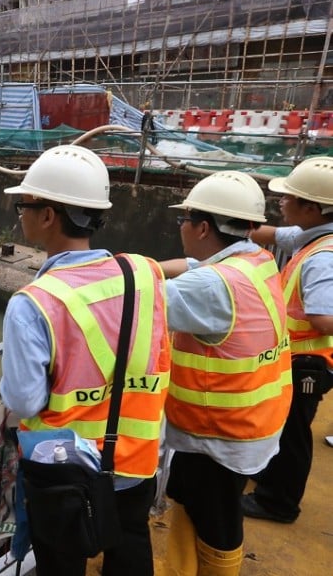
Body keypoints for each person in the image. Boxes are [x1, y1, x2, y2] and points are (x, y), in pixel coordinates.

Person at [0, 144, 171, 576]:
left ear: (48, 216)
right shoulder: (145, 273)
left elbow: (23, 402)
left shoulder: (34, 302)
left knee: (60, 562)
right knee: (130, 546)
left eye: (25, 204)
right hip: (136, 460)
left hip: (64, 470)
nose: (21, 213)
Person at [159, 171, 292, 575]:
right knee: (194, 505)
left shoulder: (211, 286)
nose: (181, 227)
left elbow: (133, 304)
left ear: (201, 227)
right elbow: (196, 264)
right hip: (249, 424)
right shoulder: (255, 260)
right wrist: (148, 265)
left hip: (217, 433)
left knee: (216, 522)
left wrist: (113, 272)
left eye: (184, 219)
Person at [241, 156, 333, 524]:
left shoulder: (323, 258)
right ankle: (268, 478)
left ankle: (278, 503)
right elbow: (274, 235)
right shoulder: (313, 232)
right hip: (292, 360)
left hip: (308, 363)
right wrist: (229, 219)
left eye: (288, 197)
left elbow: (324, 319)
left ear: (311, 208)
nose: (280, 201)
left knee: (294, 432)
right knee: (281, 423)